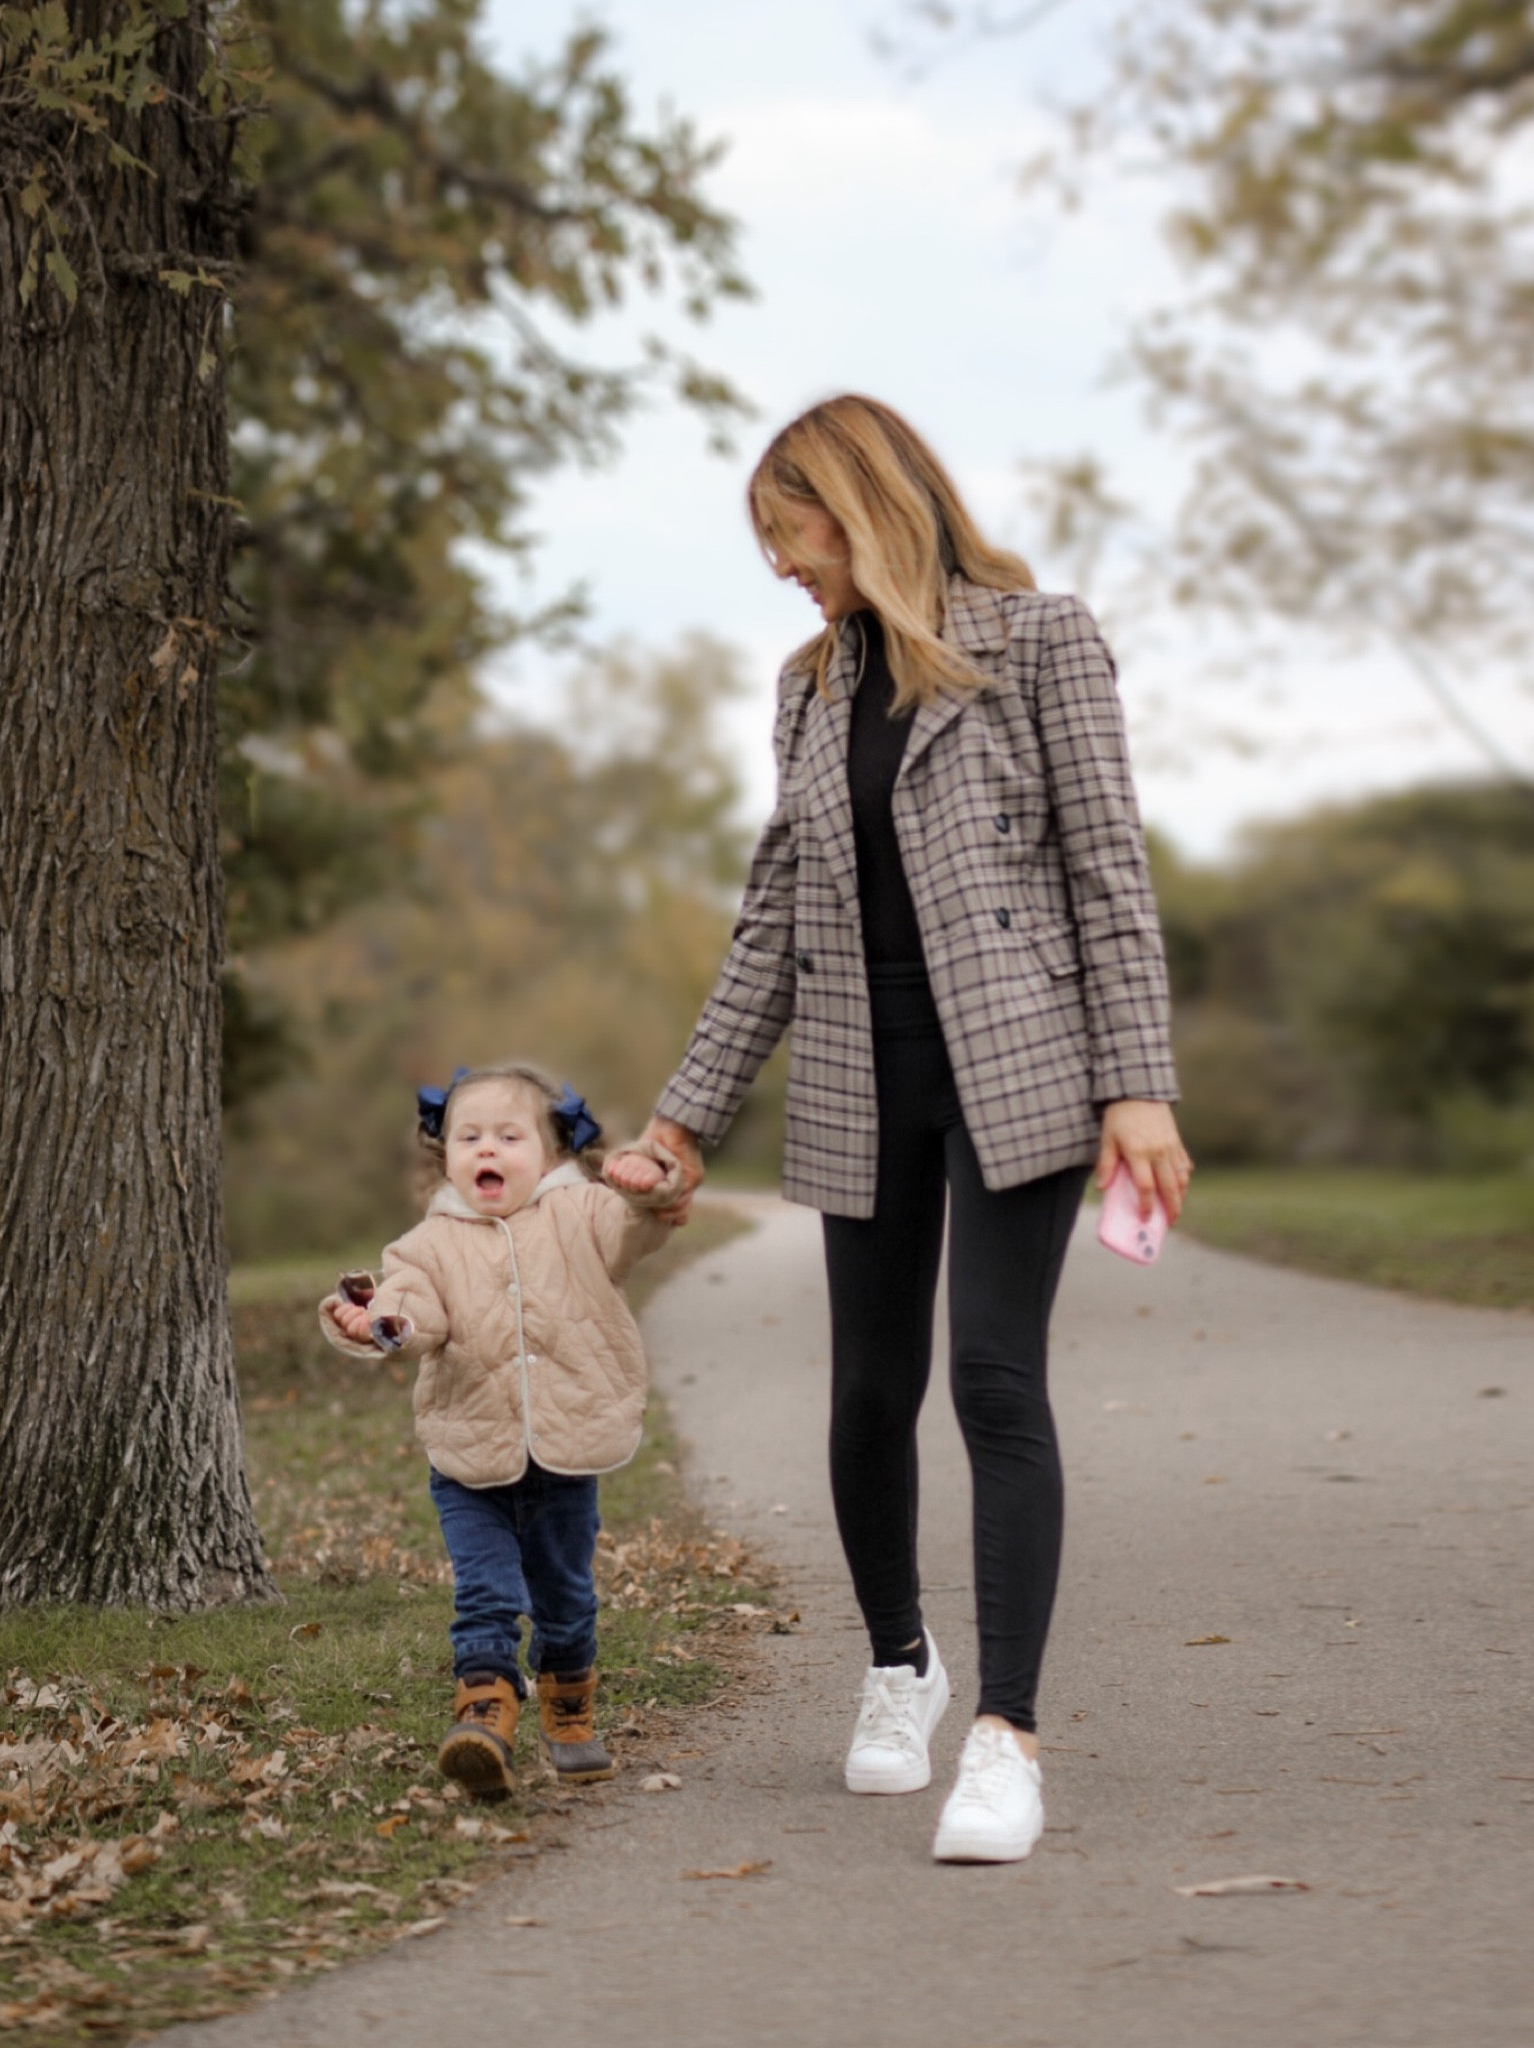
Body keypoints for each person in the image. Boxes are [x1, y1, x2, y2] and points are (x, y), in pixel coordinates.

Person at [612, 394, 1191, 1864]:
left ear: (858, 501)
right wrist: (684, 1120)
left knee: (995, 1381)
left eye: (784, 531)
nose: (777, 566)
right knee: (869, 1394)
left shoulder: (1040, 638)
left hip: (1020, 1064)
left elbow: (1108, 869)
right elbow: (772, 925)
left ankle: (1007, 1737)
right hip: (862, 1069)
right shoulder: (808, 690)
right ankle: (898, 1667)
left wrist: (1138, 1082)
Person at [321, 1061, 681, 1799]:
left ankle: (569, 1712)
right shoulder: (425, 1246)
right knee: (484, 1593)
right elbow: (414, 1312)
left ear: (551, 1154)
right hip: (468, 1459)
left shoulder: (582, 1214)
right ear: (445, 1154)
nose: (487, 1149)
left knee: (565, 1598)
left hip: (565, 1450)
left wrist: (650, 1185)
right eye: (469, 1136)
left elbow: (635, 1227)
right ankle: (484, 1715)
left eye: (508, 1136)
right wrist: (380, 1322)